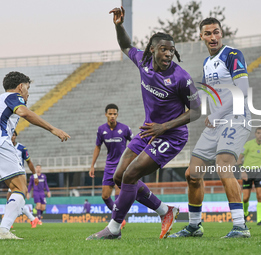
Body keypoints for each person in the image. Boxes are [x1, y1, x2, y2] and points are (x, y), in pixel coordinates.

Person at [86, 6, 201, 240]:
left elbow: (198, 111)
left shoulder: (181, 77)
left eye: (172, 50)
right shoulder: (143, 61)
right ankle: (165, 211)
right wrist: (119, 27)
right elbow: (126, 46)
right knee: (120, 177)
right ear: (152, 49)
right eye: (163, 49)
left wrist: (164, 126)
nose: (168, 53)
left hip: (172, 136)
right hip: (149, 131)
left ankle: (113, 230)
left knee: (130, 176)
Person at [170, 17, 251, 239]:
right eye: (208, 33)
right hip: (216, 122)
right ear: (201, 36)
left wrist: (216, 113)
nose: (212, 37)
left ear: (221, 33)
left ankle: (240, 227)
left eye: (216, 32)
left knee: (223, 165)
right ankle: (194, 226)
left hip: (235, 118)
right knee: (192, 174)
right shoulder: (207, 63)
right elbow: (208, 95)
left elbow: (242, 90)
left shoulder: (232, 55)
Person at [0, 71, 69, 239]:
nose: (28, 93)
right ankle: (4, 230)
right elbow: (25, 113)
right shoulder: (12, 97)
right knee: (20, 188)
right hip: (1, 142)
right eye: (28, 88)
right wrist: (53, 129)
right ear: (20, 87)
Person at [89, 104, 132, 228]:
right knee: (105, 196)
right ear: (106, 115)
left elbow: (134, 142)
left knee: (119, 194)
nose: (112, 116)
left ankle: (118, 220)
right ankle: (118, 216)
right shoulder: (101, 129)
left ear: (117, 115)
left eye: (114, 114)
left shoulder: (125, 129)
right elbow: (98, 146)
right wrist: (92, 165)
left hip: (122, 165)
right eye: (110, 114)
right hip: (109, 165)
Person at [237, 127, 261, 226]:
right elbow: (239, 159)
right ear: (255, 134)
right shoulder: (248, 144)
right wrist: (243, 171)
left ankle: (259, 220)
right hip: (247, 172)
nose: (260, 135)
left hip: (258, 172)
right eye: (258, 133)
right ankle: (245, 213)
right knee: (245, 198)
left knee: (259, 195)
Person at [6, 130, 40, 228]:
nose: (12, 136)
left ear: (15, 136)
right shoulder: (5, 147)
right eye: (10, 134)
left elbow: (29, 162)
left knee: (12, 199)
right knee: (15, 200)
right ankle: (33, 219)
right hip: (10, 175)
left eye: (13, 135)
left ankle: (8, 222)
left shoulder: (21, 148)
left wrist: (35, 176)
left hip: (19, 175)